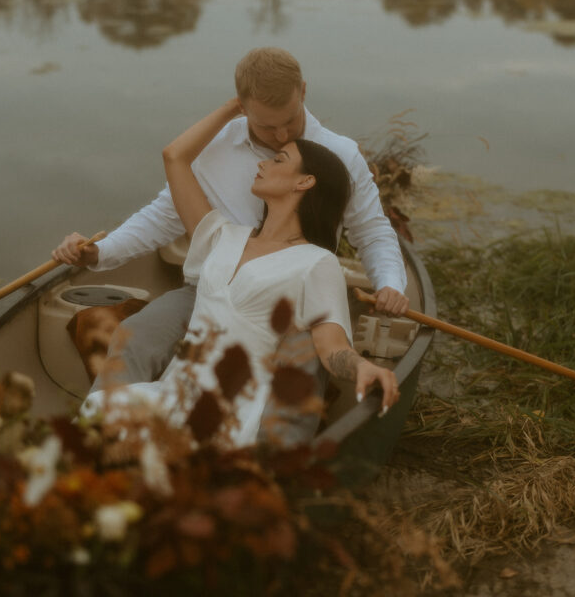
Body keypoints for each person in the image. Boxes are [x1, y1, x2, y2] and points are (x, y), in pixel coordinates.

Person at [52, 48, 409, 403]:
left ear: (302, 91)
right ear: (242, 105)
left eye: (290, 119)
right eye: (267, 126)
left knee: (294, 379)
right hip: (209, 289)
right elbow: (165, 212)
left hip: (291, 299)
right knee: (134, 337)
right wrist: (100, 252)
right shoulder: (215, 150)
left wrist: (390, 284)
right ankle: (109, 428)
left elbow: (372, 231)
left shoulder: (340, 156)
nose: (282, 135)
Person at [80, 99, 400, 448]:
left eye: (279, 160)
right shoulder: (221, 235)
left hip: (233, 409)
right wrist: (237, 106)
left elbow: (331, 346)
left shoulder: (316, 263)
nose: (263, 162)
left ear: (305, 182)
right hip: (174, 393)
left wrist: (361, 368)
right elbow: (174, 157)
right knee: (99, 419)